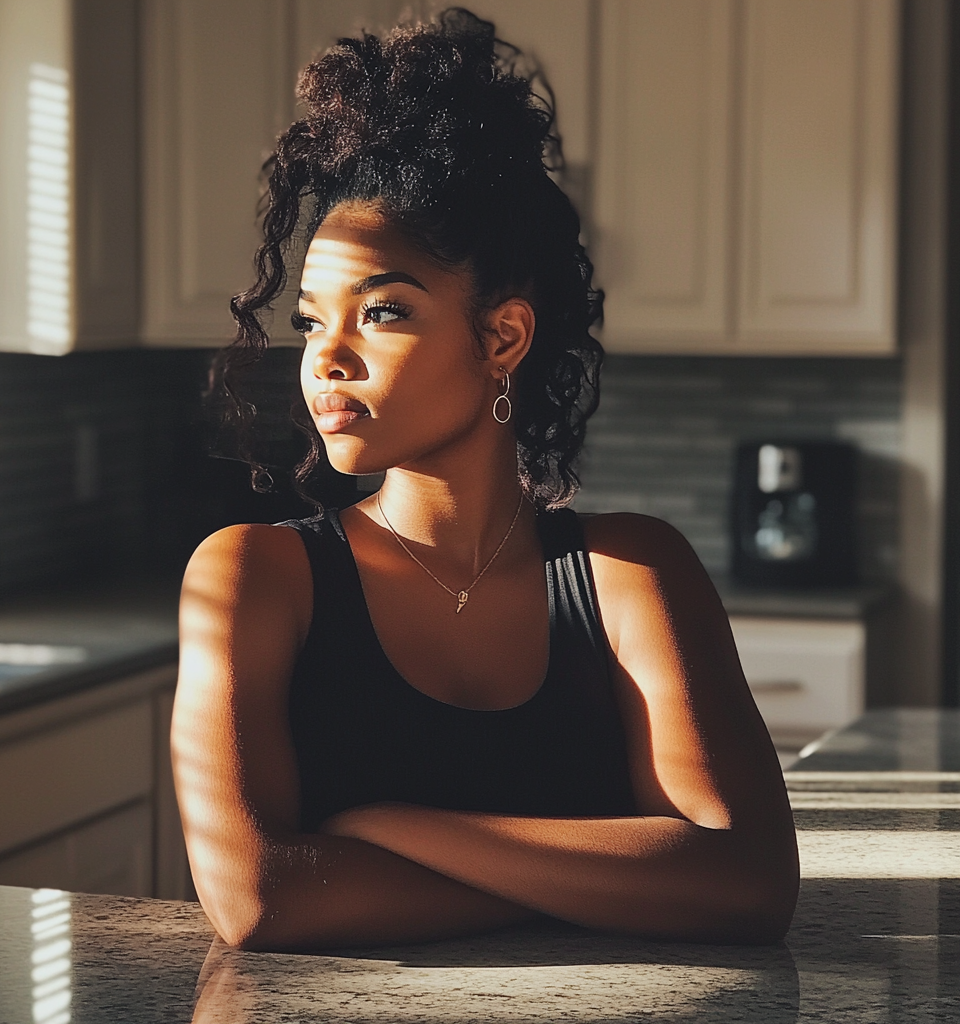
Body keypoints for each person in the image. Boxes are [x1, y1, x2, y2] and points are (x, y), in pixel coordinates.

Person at [172, 8, 799, 952]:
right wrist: (617, 881)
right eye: (310, 321)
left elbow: (747, 886)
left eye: (382, 312)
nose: (326, 360)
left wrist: (390, 829)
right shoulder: (253, 578)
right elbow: (259, 898)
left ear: (502, 336)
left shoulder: (633, 574)